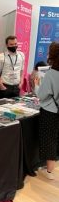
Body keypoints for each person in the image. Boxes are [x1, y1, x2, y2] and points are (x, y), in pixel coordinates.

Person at [35, 42, 59, 180]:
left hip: (50, 111)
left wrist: (38, 85)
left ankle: (49, 171)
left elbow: (41, 95)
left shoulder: (51, 74)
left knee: (48, 139)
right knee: (56, 137)